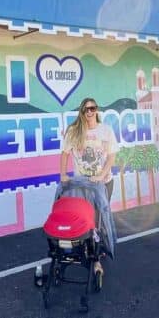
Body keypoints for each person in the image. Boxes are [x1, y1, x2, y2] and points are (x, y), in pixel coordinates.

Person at [60, 97, 117, 276]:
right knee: (86, 219)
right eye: (86, 110)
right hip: (82, 185)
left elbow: (111, 157)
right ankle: (90, 252)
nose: (90, 112)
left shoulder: (105, 131)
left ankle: (96, 258)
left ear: (97, 110)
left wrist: (100, 175)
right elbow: (64, 154)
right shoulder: (74, 131)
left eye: (92, 108)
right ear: (82, 112)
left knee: (98, 220)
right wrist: (63, 174)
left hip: (103, 183)